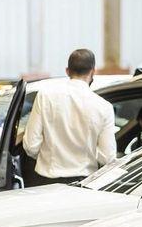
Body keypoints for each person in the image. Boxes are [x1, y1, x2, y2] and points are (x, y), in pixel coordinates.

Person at [21, 49, 117, 186]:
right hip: (85, 183)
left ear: (67, 71)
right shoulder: (104, 107)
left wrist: (47, 158)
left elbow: (31, 145)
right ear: (92, 71)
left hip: (46, 180)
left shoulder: (45, 96)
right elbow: (107, 156)